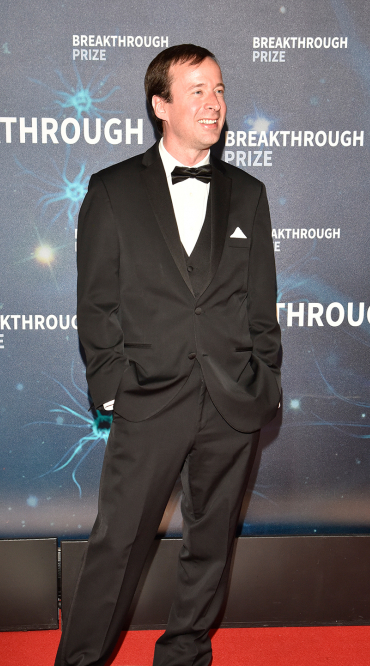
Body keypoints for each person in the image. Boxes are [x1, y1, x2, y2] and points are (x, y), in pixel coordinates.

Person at [56, 44, 282, 666]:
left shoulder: (249, 193)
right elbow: (95, 302)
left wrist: (266, 381)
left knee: (210, 545)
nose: (213, 104)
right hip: (148, 397)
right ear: (161, 105)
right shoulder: (112, 191)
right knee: (117, 544)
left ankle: (185, 655)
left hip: (233, 400)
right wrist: (111, 386)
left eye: (219, 90)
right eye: (197, 92)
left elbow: (261, 303)